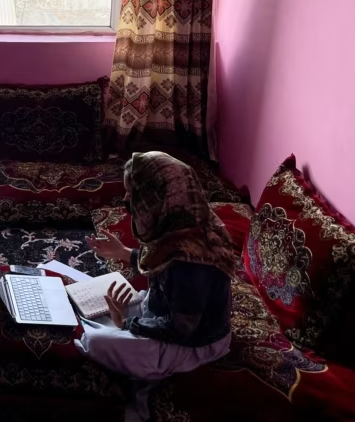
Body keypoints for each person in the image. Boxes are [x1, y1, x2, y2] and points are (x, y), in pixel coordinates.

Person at [78, 151, 239, 422]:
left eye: (133, 193)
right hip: (165, 312)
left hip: (194, 344)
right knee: (96, 307)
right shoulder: (182, 221)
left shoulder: (190, 261)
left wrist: (127, 326)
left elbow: (181, 330)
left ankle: (138, 370)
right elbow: (162, 264)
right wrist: (124, 253)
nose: (127, 199)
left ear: (157, 195)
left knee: (93, 340)